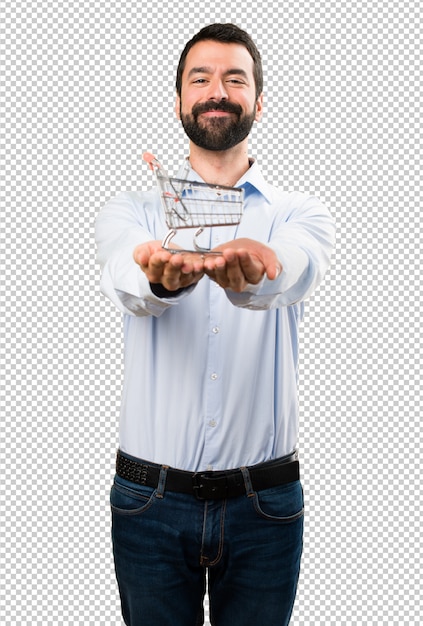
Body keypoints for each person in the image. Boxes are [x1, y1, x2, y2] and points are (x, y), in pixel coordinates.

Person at [95, 23, 335, 626]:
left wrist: (256, 274)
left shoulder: (297, 212)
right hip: (148, 501)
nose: (217, 91)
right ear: (179, 99)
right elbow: (128, 278)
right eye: (199, 78)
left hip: (266, 505)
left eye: (236, 78)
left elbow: (297, 272)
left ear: (259, 99)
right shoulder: (133, 209)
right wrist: (160, 279)